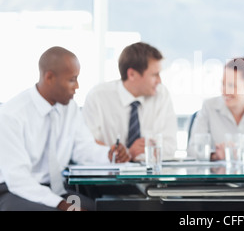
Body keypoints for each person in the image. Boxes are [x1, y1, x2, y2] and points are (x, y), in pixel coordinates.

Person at [0, 46, 129, 211]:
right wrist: (62, 205)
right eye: (72, 79)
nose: (77, 86)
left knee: (99, 208)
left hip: (55, 189)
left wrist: (110, 155)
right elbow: (18, 180)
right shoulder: (11, 115)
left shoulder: (70, 108)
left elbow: (83, 148)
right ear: (49, 78)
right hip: (13, 192)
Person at [83, 42, 177, 161]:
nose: (159, 81)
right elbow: (87, 145)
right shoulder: (98, 97)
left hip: (151, 175)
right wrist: (126, 154)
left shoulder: (161, 94)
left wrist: (142, 151)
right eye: (154, 75)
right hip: (109, 175)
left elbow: (170, 147)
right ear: (132, 74)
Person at [189, 54, 244, 161]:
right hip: (217, 177)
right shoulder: (209, 107)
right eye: (223, 84)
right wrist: (216, 155)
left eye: (231, 86)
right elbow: (192, 151)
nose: (224, 91)